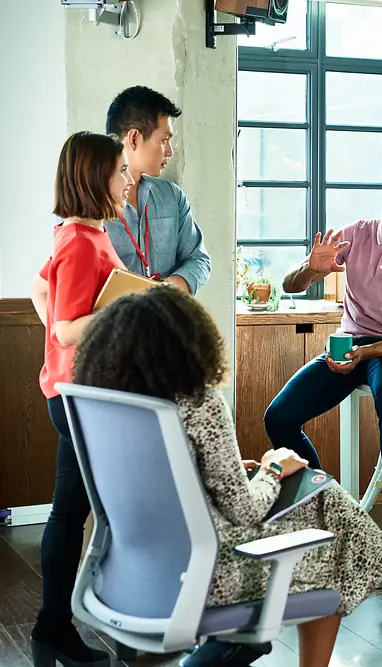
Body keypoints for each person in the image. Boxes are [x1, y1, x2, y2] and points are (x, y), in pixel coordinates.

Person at [70, 287, 382, 667]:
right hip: (211, 573)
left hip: (132, 572)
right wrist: (273, 469)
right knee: (330, 541)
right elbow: (243, 510)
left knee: (319, 492)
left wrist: (232, 470)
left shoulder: (112, 406)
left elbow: (162, 479)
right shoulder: (199, 403)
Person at [264, 168, 382, 534]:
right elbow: (290, 285)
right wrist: (311, 269)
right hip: (350, 341)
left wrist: (364, 356)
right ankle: (323, 499)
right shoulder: (354, 235)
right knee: (279, 417)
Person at [28, 131, 135, 667]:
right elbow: (70, 329)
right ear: (96, 177)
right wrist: (131, 307)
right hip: (79, 396)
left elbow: (40, 291)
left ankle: (67, 624)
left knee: (76, 510)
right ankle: (62, 625)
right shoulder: (78, 240)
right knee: (78, 511)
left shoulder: (77, 233)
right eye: (120, 170)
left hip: (76, 392)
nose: (128, 178)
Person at [32, 85, 212, 306]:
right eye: (164, 140)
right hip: (114, 336)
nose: (170, 151)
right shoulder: (85, 211)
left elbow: (199, 260)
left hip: (166, 331)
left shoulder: (172, 197)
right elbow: (49, 293)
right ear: (134, 138)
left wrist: (165, 290)